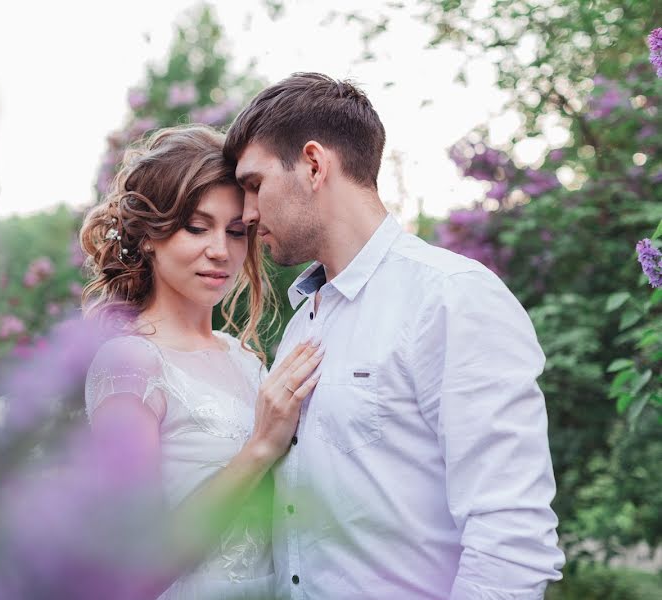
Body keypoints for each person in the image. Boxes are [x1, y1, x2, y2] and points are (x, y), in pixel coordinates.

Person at [222, 73, 566, 599]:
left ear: (314, 165)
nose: (246, 215)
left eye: (253, 186)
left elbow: (511, 538)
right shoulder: (299, 326)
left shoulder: (452, 299)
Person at [79, 124, 323, 600]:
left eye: (237, 232)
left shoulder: (243, 357)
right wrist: (258, 449)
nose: (221, 251)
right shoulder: (128, 364)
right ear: (149, 236)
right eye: (197, 227)